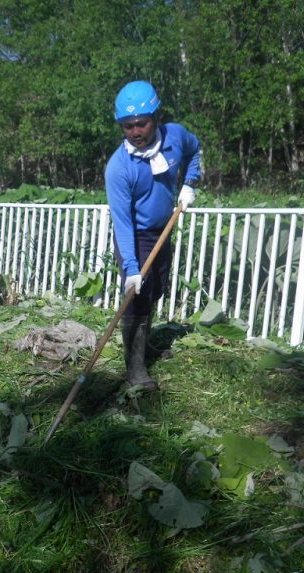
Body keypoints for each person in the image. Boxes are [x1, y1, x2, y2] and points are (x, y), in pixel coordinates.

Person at [105, 80, 201, 390]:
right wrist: (131, 267)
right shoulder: (119, 167)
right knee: (137, 296)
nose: (135, 131)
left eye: (141, 123)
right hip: (136, 234)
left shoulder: (175, 136)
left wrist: (190, 183)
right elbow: (121, 220)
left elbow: (195, 150)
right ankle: (135, 368)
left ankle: (145, 345)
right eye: (128, 125)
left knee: (158, 286)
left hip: (164, 228)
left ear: (155, 117)